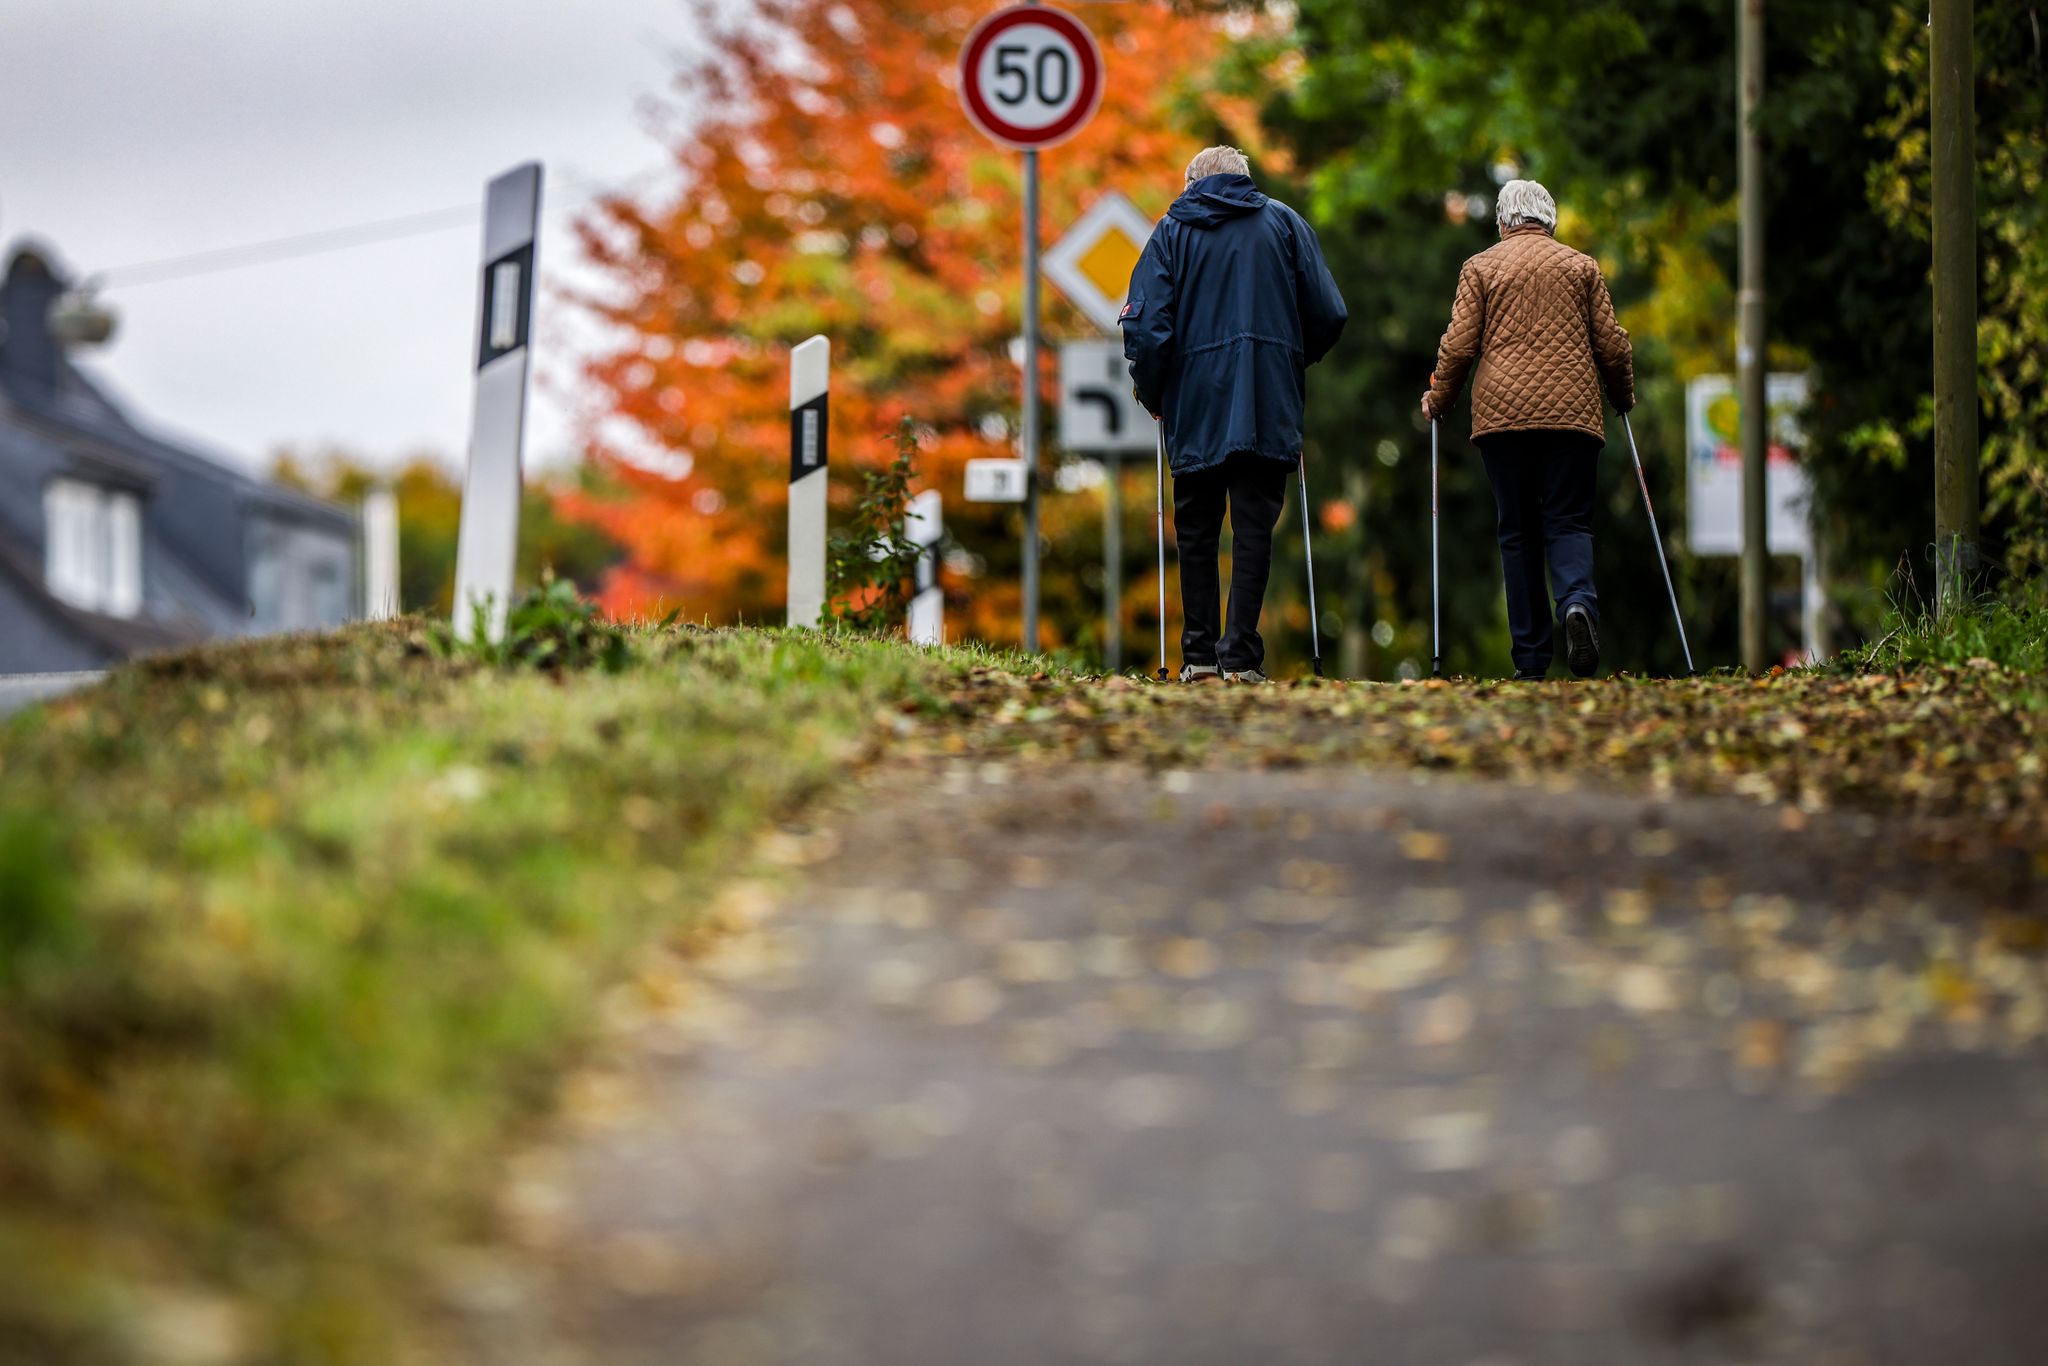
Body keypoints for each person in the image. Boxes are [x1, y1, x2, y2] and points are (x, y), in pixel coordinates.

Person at [1121, 145, 1348, 684]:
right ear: (1244, 179)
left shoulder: (1171, 232)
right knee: (1254, 529)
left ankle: (1198, 656)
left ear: (1192, 182)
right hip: (1267, 396)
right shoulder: (1285, 224)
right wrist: (1288, 357)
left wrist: (1153, 393)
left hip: (1194, 401)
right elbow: (1330, 312)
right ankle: (1241, 656)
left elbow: (1147, 327)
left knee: (1196, 528)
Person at [1421, 179, 1634, 680]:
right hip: (1572, 417)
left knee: (1517, 533)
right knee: (1569, 521)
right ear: (1550, 221)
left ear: (1502, 222)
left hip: (1502, 420)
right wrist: (1622, 398)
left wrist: (1439, 400)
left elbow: (1458, 347)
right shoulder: (1581, 266)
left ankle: (1531, 661)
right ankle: (1577, 605)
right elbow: (1614, 347)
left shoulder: (1480, 267)